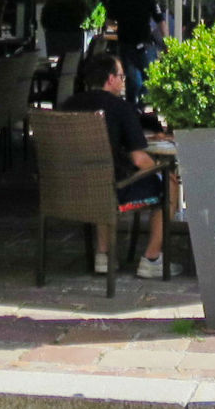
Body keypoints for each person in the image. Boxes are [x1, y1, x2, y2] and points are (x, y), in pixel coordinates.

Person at [60, 52, 169, 278]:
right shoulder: (120, 108)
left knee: (99, 176)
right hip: (111, 191)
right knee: (169, 184)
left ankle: (104, 254)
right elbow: (139, 159)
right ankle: (152, 258)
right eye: (121, 76)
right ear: (110, 79)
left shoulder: (67, 106)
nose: (123, 81)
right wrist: (162, 171)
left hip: (66, 189)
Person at [103, 0, 162, 103]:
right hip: (144, 42)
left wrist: (110, 44)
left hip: (124, 43)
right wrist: (165, 41)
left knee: (131, 81)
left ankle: (132, 108)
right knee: (149, 78)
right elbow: (160, 18)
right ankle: (142, 105)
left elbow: (110, 22)